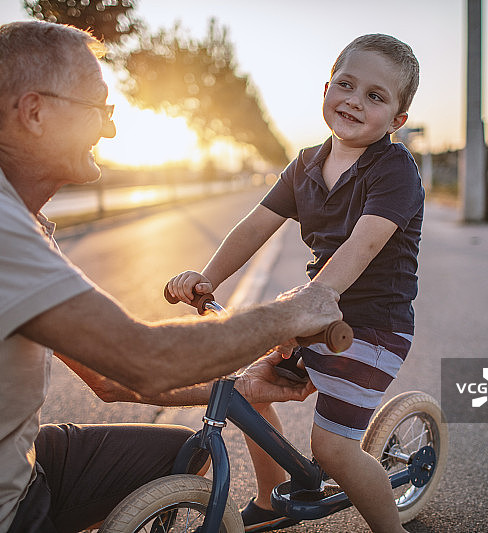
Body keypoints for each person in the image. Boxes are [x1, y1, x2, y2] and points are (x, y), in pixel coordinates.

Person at [0, 21, 342, 533]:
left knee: (175, 452)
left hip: (9, 461)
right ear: (35, 112)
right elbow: (142, 362)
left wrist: (240, 385)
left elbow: (109, 377)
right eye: (99, 109)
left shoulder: (3, 209)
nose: (109, 129)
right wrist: (293, 311)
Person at [167, 34, 423, 533]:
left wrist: (313, 301)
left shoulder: (395, 170)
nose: (354, 99)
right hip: (315, 317)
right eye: (346, 85)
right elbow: (256, 225)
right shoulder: (305, 163)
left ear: (397, 120)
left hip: (370, 330)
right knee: (249, 390)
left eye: (376, 95)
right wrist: (208, 277)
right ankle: (268, 498)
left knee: (333, 448)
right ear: (326, 88)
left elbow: (363, 245)